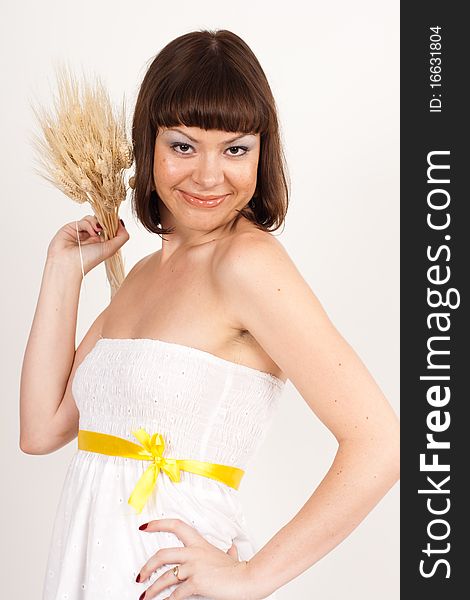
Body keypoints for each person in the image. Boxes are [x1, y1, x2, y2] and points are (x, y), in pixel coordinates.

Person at [20, 29, 400, 600]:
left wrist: (254, 577)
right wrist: (62, 270)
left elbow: (381, 442)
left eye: (235, 149)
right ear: (146, 143)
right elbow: (41, 429)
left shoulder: (247, 263)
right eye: (182, 146)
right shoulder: (145, 273)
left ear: (262, 153)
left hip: (173, 581)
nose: (207, 175)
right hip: (93, 565)